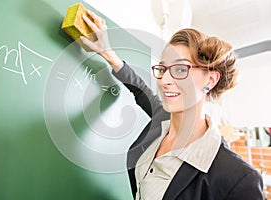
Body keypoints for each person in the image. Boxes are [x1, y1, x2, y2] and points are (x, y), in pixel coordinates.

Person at [79, 10, 264, 200]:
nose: (164, 80)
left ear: (210, 79)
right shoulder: (162, 118)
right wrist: (106, 52)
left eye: (180, 69)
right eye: (163, 68)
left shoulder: (238, 179)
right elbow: (139, 88)